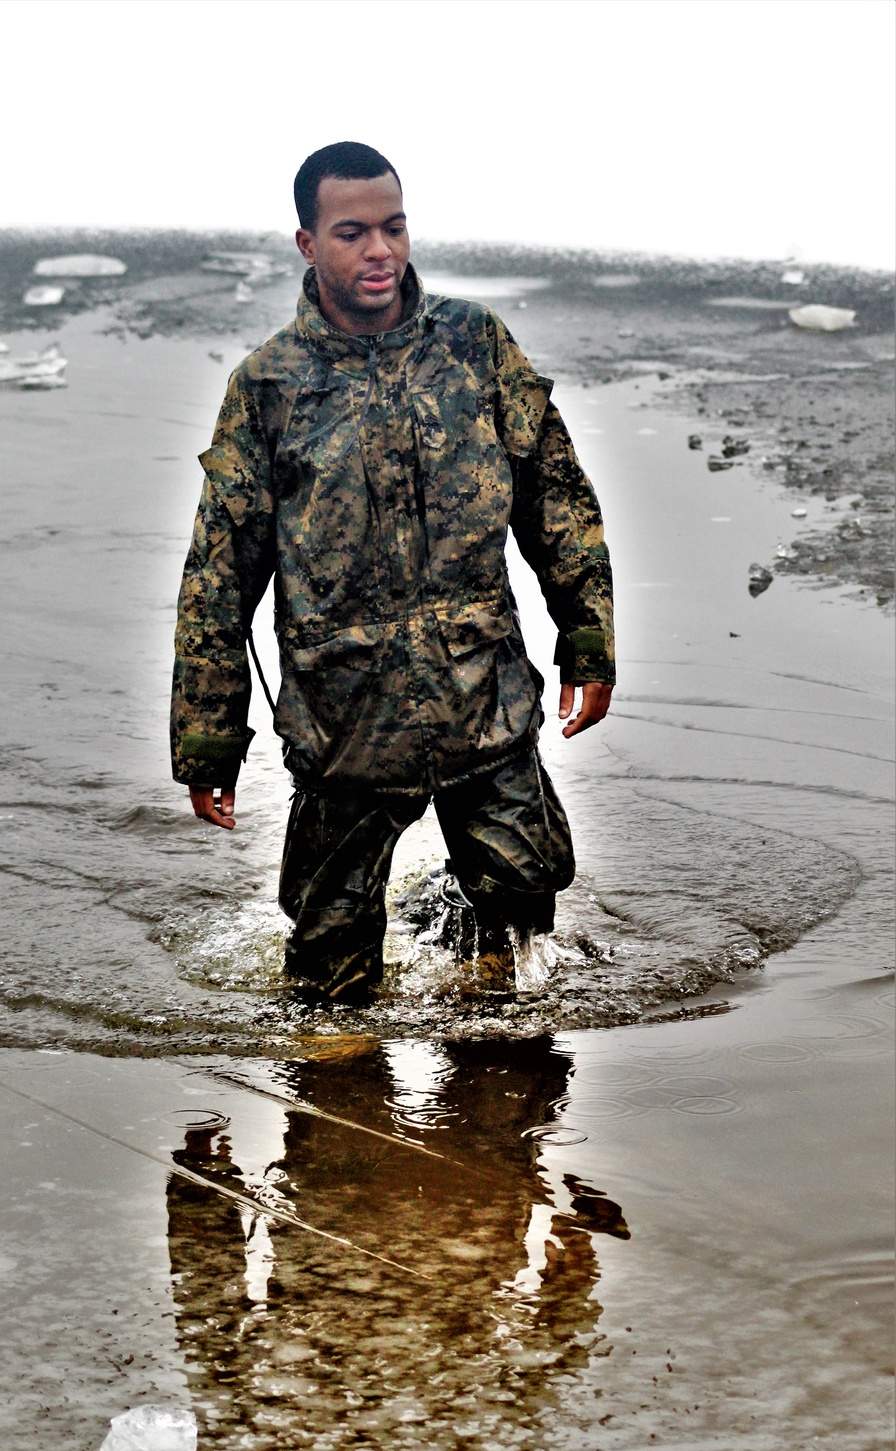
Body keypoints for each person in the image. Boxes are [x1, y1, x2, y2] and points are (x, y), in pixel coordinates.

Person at [171, 141, 615, 1002]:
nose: (380, 251)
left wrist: (588, 641)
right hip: (344, 725)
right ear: (308, 244)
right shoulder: (268, 386)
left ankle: (487, 1096)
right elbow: (218, 575)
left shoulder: (476, 346)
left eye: (393, 227)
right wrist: (208, 737)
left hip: (483, 698)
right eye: (352, 233)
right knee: (329, 983)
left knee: (522, 924)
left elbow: (556, 500)